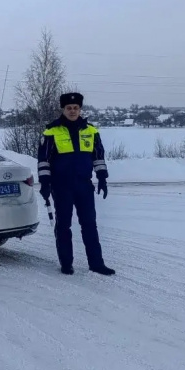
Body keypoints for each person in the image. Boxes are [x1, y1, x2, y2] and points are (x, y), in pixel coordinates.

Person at [37, 92, 116, 276]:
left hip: (84, 185)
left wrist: (102, 178)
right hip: (61, 186)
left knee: (90, 224)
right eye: (69, 108)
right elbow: (44, 161)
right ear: (63, 109)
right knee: (63, 225)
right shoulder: (51, 131)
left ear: (80, 109)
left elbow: (98, 157)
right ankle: (66, 263)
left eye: (76, 108)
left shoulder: (91, 131)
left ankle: (96, 263)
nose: (72, 111)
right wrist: (45, 183)